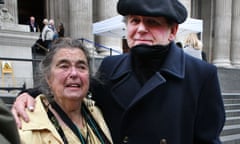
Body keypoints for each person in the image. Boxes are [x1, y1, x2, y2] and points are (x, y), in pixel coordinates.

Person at [12, 0, 225, 143]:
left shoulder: (201, 75)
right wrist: (30, 94)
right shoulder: (110, 67)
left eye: (152, 22)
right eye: (135, 21)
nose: (140, 28)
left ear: (173, 31)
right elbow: (74, 88)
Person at [17, 37, 112, 144]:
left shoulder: (96, 112)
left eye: (81, 67)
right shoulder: (27, 126)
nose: (74, 73)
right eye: (64, 66)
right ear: (48, 77)